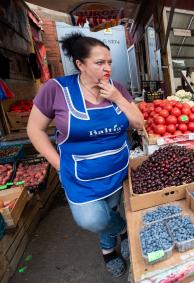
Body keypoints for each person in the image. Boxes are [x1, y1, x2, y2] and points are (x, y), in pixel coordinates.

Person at [27, 33, 143, 278]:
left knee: (110, 209)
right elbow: (34, 130)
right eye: (100, 63)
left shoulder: (117, 88)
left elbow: (138, 123)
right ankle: (122, 229)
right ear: (80, 64)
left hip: (116, 170)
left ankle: (108, 250)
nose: (108, 68)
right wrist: (59, 165)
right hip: (79, 175)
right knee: (93, 220)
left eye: (109, 62)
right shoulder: (56, 89)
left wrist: (117, 97)